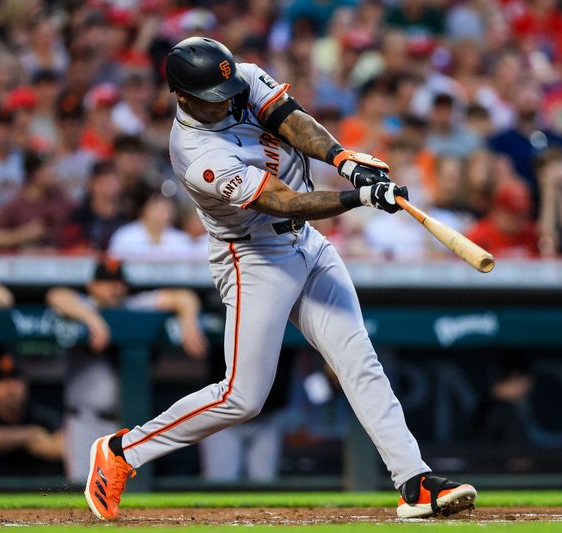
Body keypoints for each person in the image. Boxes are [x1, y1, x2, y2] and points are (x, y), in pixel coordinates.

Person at [83, 37, 475, 521]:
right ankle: (122, 451)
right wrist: (358, 199)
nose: (227, 101)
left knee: (359, 359)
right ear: (182, 97)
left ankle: (413, 482)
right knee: (241, 397)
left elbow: (290, 118)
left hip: (306, 242)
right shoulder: (195, 152)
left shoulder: (237, 77)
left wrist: (343, 161)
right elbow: (280, 200)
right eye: (213, 98)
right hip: (253, 256)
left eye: (228, 90)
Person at [46, 258, 207, 482]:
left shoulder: (134, 306)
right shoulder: (83, 306)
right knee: (82, 485)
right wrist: (91, 319)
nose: (114, 288)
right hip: (85, 420)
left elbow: (183, 297)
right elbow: (56, 295)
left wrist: (188, 320)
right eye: (106, 282)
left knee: (123, 488)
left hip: (125, 422)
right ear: (92, 286)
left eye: (118, 282)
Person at [0, 352, 65, 476]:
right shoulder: (34, 430)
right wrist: (30, 435)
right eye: (1, 379)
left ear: (25, 383)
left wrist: (6, 441)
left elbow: (64, 448)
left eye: (15, 378)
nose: (9, 387)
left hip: (41, 491)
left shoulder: (42, 415)